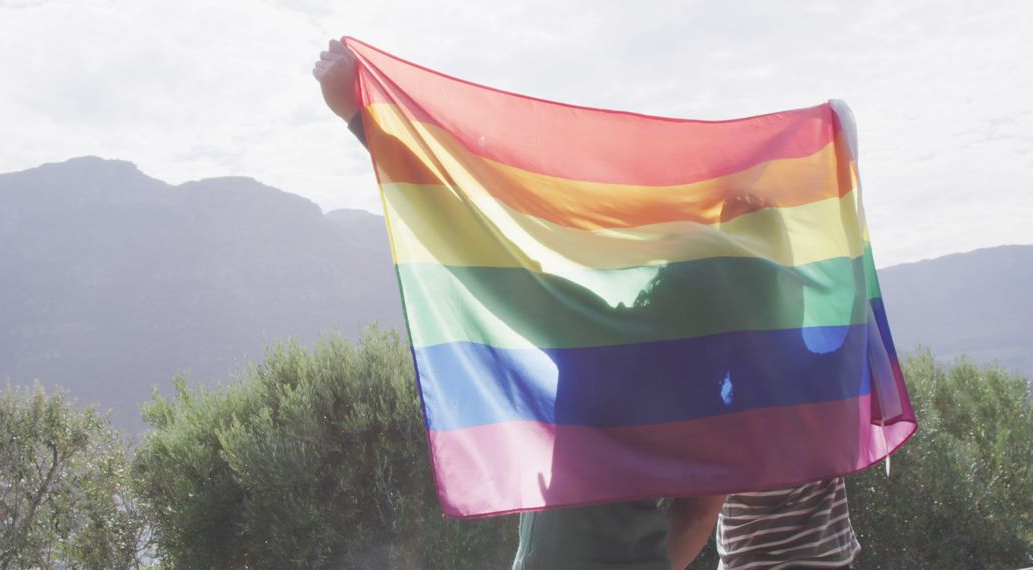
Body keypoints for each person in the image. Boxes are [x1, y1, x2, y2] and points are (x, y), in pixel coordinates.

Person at [313, 38, 726, 569]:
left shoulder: (599, 332)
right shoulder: (719, 385)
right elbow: (698, 514)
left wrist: (358, 115)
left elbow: (472, 235)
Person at [717, 478, 860, 570]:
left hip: (758, 563)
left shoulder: (728, 433)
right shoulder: (827, 430)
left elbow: (700, 518)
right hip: (834, 559)